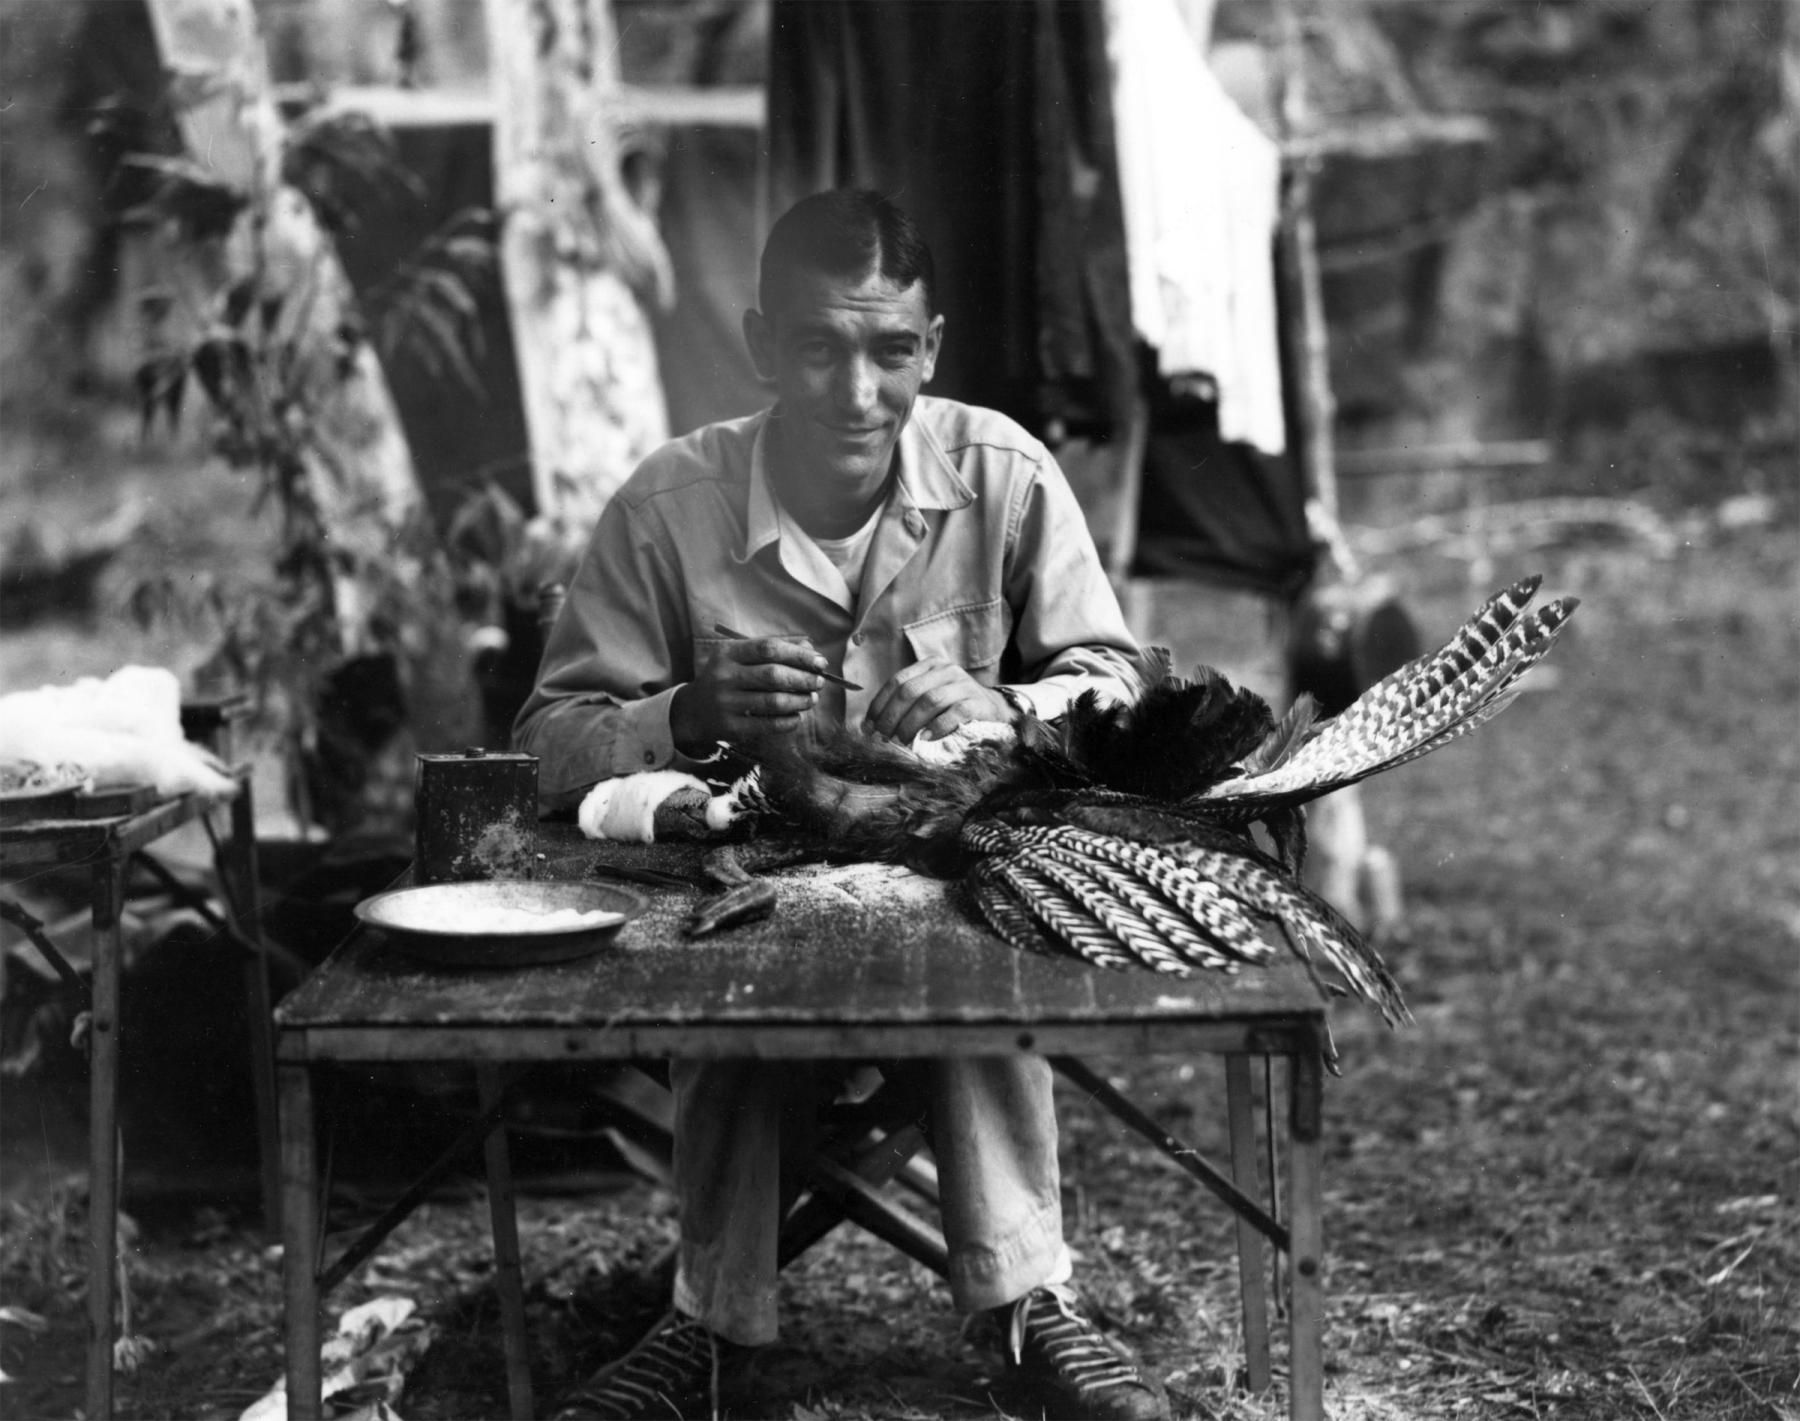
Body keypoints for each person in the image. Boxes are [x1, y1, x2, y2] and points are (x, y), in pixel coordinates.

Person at [515, 190, 1169, 1421]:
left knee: (972, 941)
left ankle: (1029, 1304)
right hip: (742, 884)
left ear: (931, 348)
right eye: (819, 347)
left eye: (889, 351)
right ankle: (707, 1324)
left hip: (952, 867)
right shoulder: (669, 506)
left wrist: (1004, 697)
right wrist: (687, 711)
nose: (856, 391)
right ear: (764, 345)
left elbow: (1119, 693)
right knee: (737, 955)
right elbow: (545, 738)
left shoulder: (1006, 477)